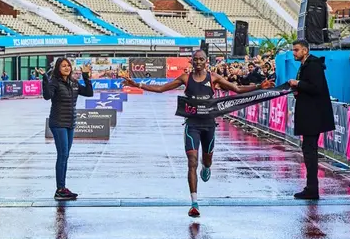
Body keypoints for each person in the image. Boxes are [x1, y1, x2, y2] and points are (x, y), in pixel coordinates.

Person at [121, 50, 273, 218]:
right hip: (192, 125)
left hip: (209, 125)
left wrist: (259, 86)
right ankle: (194, 203)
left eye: (201, 59)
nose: (198, 62)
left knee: (206, 160)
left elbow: (236, 89)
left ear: (206, 61)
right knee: (192, 162)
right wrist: (137, 85)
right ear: (191, 61)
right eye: (196, 59)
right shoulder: (185, 78)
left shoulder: (213, 77)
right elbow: (161, 89)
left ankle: (206, 166)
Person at [39, 58, 94, 201]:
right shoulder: (54, 82)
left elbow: (89, 93)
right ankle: (60, 189)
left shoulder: (73, 83)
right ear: (58, 68)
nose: (66, 68)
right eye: (63, 66)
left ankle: (62, 188)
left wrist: (86, 76)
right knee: (62, 154)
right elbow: (47, 96)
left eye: (68, 65)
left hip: (70, 123)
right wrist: (45, 78)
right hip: (58, 123)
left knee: (65, 155)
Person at [288, 40, 334, 200]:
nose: (294, 53)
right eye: (293, 50)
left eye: (296, 50)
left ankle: (312, 189)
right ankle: (311, 187)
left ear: (305, 51)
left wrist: (298, 83)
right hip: (310, 115)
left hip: (313, 116)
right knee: (308, 151)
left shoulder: (313, 65)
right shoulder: (306, 64)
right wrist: (298, 89)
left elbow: (316, 87)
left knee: (310, 151)